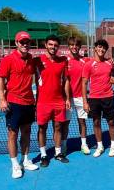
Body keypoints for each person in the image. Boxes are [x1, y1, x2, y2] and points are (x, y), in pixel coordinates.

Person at [0, 31, 38, 179]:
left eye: (27, 42)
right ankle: (15, 165)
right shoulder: (8, 60)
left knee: (26, 132)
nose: (25, 45)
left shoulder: (32, 60)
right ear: (16, 43)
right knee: (13, 134)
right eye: (22, 42)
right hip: (13, 102)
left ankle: (25, 160)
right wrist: (2, 99)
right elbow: (1, 79)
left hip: (29, 102)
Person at [34, 34, 70, 167]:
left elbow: (66, 81)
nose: (53, 47)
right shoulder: (37, 60)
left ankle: (58, 152)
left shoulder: (63, 61)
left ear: (58, 47)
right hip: (42, 102)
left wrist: (66, 99)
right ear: (45, 45)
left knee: (58, 127)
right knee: (42, 128)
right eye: (50, 44)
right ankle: (43, 155)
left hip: (59, 101)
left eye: (55, 45)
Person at [82, 39, 114, 158]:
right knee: (96, 122)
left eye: (104, 48)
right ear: (95, 48)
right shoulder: (88, 65)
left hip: (108, 97)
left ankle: (113, 146)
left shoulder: (109, 63)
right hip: (94, 98)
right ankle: (100, 146)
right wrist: (85, 102)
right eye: (99, 47)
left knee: (111, 122)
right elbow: (84, 83)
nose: (101, 50)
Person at [65, 37, 90, 156]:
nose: (74, 47)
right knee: (65, 123)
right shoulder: (64, 60)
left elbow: (100, 60)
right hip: (68, 98)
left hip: (81, 97)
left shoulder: (85, 60)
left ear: (79, 47)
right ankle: (63, 145)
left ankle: (84, 144)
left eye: (76, 45)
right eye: (71, 45)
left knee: (82, 122)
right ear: (68, 46)